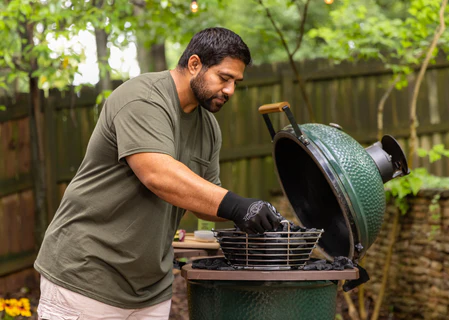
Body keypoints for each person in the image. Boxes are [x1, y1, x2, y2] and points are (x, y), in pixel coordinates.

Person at [34, 27, 282, 319]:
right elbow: (158, 175)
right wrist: (239, 205)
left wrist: (256, 216)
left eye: (236, 82)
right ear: (194, 64)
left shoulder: (209, 127)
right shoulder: (143, 98)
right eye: (224, 78)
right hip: (85, 277)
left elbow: (207, 194)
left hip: (151, 290)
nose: (230, 90)